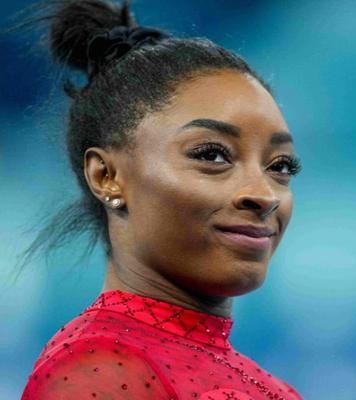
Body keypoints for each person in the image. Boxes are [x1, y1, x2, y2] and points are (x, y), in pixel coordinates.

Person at [20, 1, 303, 399]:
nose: (264, 194)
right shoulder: (98, 370)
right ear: (107, 176)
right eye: (212, 155)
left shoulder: (274, 386)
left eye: (281, 166)